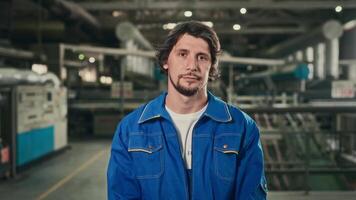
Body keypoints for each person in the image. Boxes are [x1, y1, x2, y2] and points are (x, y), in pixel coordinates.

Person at [107, 21, 267, 200]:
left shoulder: (241, 127)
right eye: (183, 54)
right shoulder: (131, 129)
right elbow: (121, 195)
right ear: (166, 61)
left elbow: (251, 196)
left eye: (202, 57)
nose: (192, 66)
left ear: (211, 66)